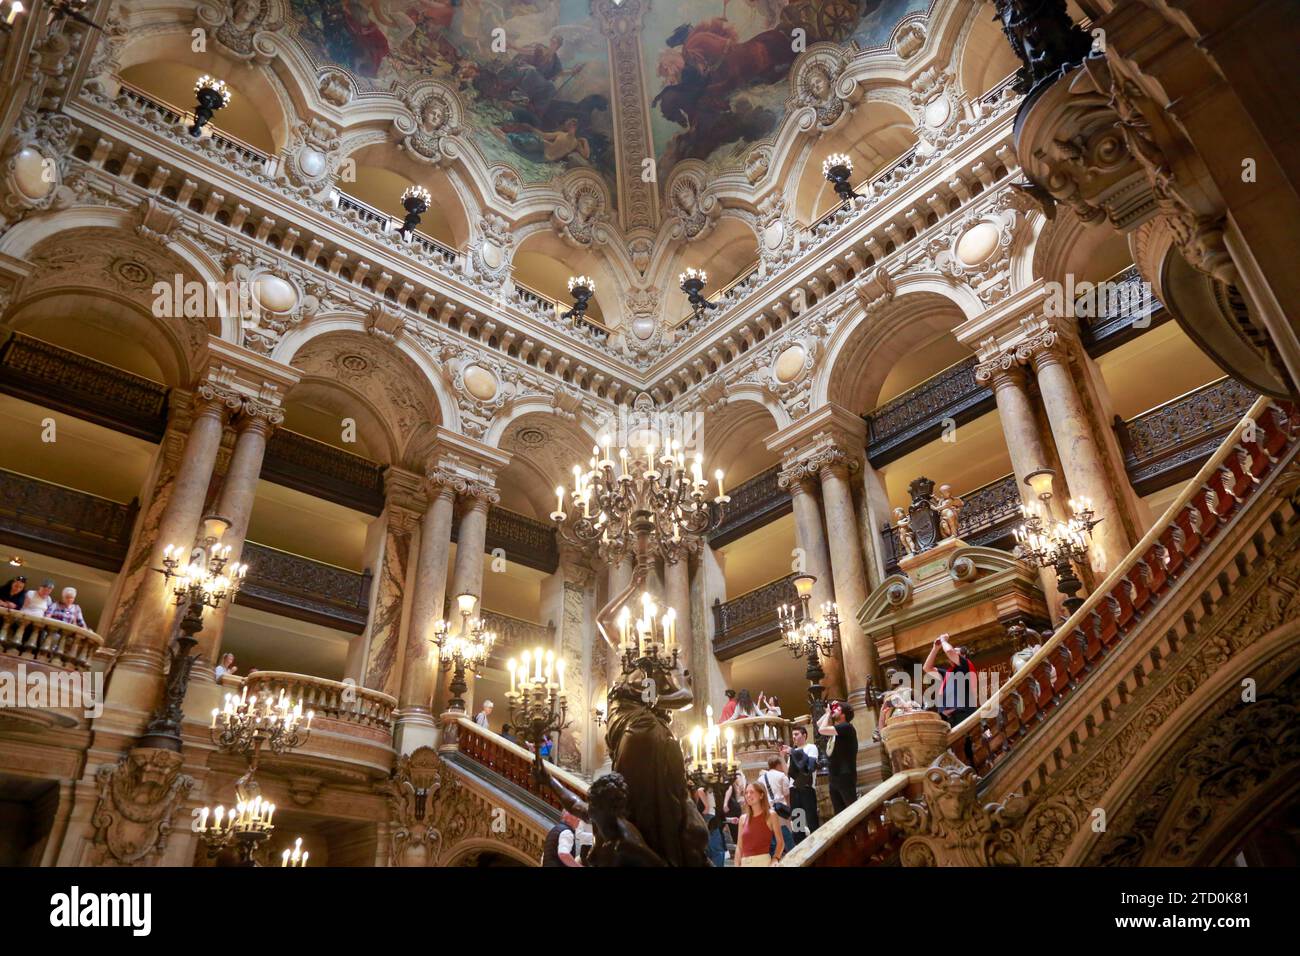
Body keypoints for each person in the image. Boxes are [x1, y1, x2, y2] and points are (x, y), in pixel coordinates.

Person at [924, 633, 978, 763]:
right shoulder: (947, 673)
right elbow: (927, 668)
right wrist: (935, 648)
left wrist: (943, 640)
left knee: (966, 750)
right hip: (949, 719)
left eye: (956, 652)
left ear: (963, 656)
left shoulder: (965, 666)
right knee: (955, 754)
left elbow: (948, 650)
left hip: (963, 713)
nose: (951, 655)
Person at [818, 700, 858, 815]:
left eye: (837, 709)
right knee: (839, 813)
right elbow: (818, 725)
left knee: (852, 810)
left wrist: (828, 713)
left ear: (843, 714)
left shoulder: (847, 727)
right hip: (834, 776)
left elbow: (821, 730)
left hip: (845, 775)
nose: (833, 710)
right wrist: (828, 713)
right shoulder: (836, 730)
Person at [782, 726, 820, 843]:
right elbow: (787, 772)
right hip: (794, 790)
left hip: (806, 788)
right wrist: (782, 756)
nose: (794, 737)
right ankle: (800, 846)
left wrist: (792, 752)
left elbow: (809, 766)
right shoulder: (792, 752)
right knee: (798, 824)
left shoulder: (811, 747)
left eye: (797, 734)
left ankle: (817, 845)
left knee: (811, 820)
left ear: (804, 735)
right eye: (793, 734)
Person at [735, 781, 784, 866]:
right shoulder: (742, 819)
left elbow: (780, 842)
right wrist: (736, 864)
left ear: (761, 795)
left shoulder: (771, 815)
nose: (748, 795)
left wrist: (775, 858)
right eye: (746, 793)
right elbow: (739, 847)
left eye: (752, 792)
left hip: (763, 862)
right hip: (745, 863)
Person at [758, 754, 793, 854]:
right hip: (781, 810)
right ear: (778, 765)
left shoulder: (760, 779)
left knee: (773, 838)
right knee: (787, 836)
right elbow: (787, 795)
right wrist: (789, 810)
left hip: (768, 810)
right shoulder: (782, 776)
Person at [694, 784, 728, 867]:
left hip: (712, 818)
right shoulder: (707, 787)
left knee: (713, 848)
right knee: (715, 849)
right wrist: (707, 806)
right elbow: (700, 790)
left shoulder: (715, 789)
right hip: (710, 817)